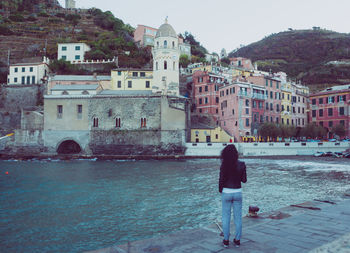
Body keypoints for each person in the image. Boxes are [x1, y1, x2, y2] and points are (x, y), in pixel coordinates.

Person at [219, 144, 247, 248]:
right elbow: (244, 180)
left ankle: (226, 240)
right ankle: (237, 240)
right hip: (238, 192)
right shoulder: (242, 164)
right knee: (238, 217)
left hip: (226, 192)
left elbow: (221, 180)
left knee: (226, 217)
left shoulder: (224, 165)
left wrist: (220, 191)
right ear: (236, 154)